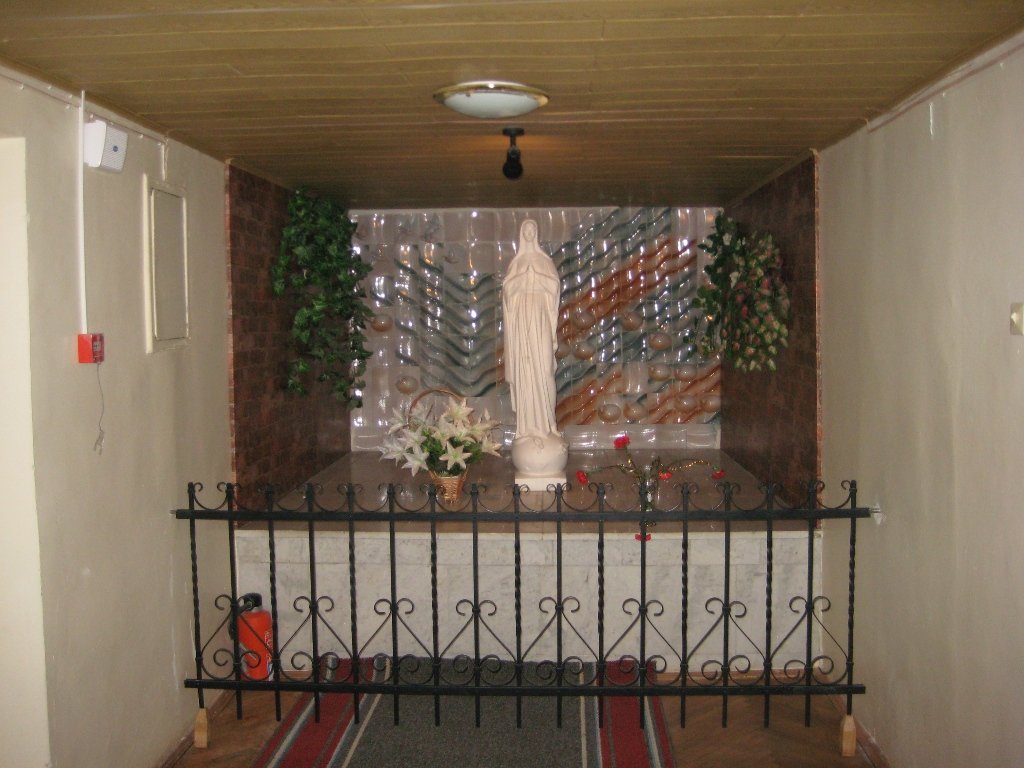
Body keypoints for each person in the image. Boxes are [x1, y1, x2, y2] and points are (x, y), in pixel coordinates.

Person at [502, 219, 562, 440]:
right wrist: (521, 279)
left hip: (540, 316)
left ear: (536, 233)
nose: (529, 232)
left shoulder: (544, 261)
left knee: (545, 370)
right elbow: (507, 291)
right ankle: (527, 428)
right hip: (522, 320)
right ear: (522, 233)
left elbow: (555, 287)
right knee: (525, 370)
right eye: (526, 229)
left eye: (532, 229)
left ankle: (550, 423)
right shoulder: (516, 262)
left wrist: (536, 277)